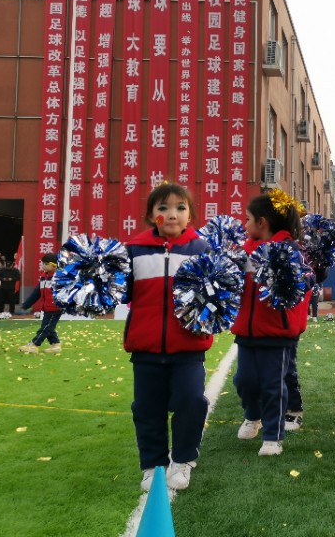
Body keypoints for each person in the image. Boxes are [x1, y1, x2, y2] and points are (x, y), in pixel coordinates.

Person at [123, 182, 212, 492]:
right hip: (145, 348)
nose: (171, 214)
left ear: (190, 216)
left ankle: (184, 459)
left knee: (190, 402)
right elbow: (119, 292)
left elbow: (219, 294)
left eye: (180, 207)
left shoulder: (202, 250)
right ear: (151, 215)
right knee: (147, 409)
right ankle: (153, 464)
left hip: (188, 347)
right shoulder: (133, 249)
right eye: (162, 208)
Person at [231, 190, 312, 456]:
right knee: (244, 381)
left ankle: (272, 436)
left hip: (277, 333)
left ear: (262, 222)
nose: (244, 224)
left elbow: (305, 282)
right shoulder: (245, 250)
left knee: (272, 385)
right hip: (246, 330)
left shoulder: (289, 249)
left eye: (247, 219)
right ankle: (252, 415)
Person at [18, 253, 62, 353]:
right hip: (46, 307)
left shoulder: (59, 278)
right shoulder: (43, 277)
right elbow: (36, 293)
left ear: (53, 265)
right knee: (48, 327)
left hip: (55, 308)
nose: (42, 266)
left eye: (45, 264)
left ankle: (34, 344)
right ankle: (56, 345)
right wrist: (27, 304)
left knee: (46, 327)